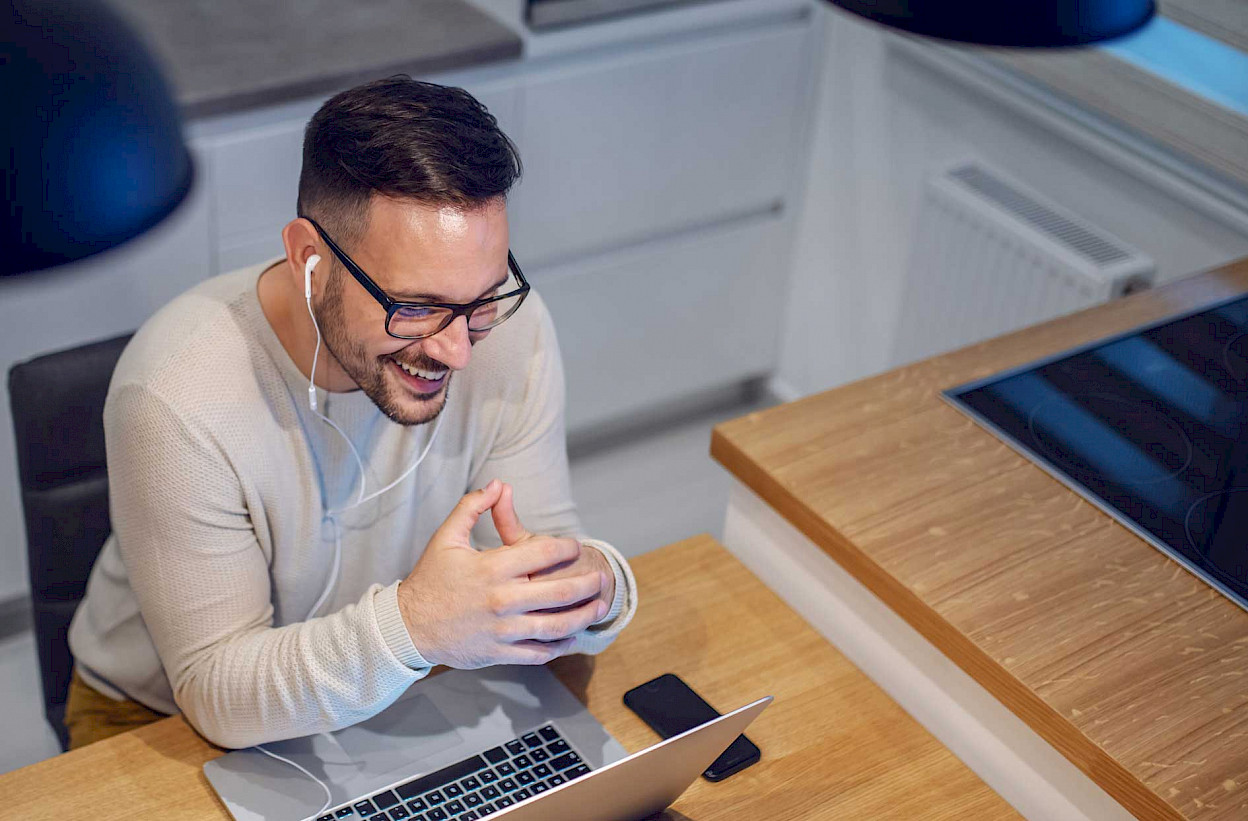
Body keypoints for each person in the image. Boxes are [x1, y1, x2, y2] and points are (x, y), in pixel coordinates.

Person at [64, 75, 637, 751]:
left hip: (405, 672)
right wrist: (416, 622)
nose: (457, 350)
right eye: (416, 306)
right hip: (168, 721)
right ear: (309, 257)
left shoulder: (508, 331)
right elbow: (217, 691)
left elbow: (541, 551)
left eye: (482, 298)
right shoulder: (174, 395)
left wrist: (595, 588)